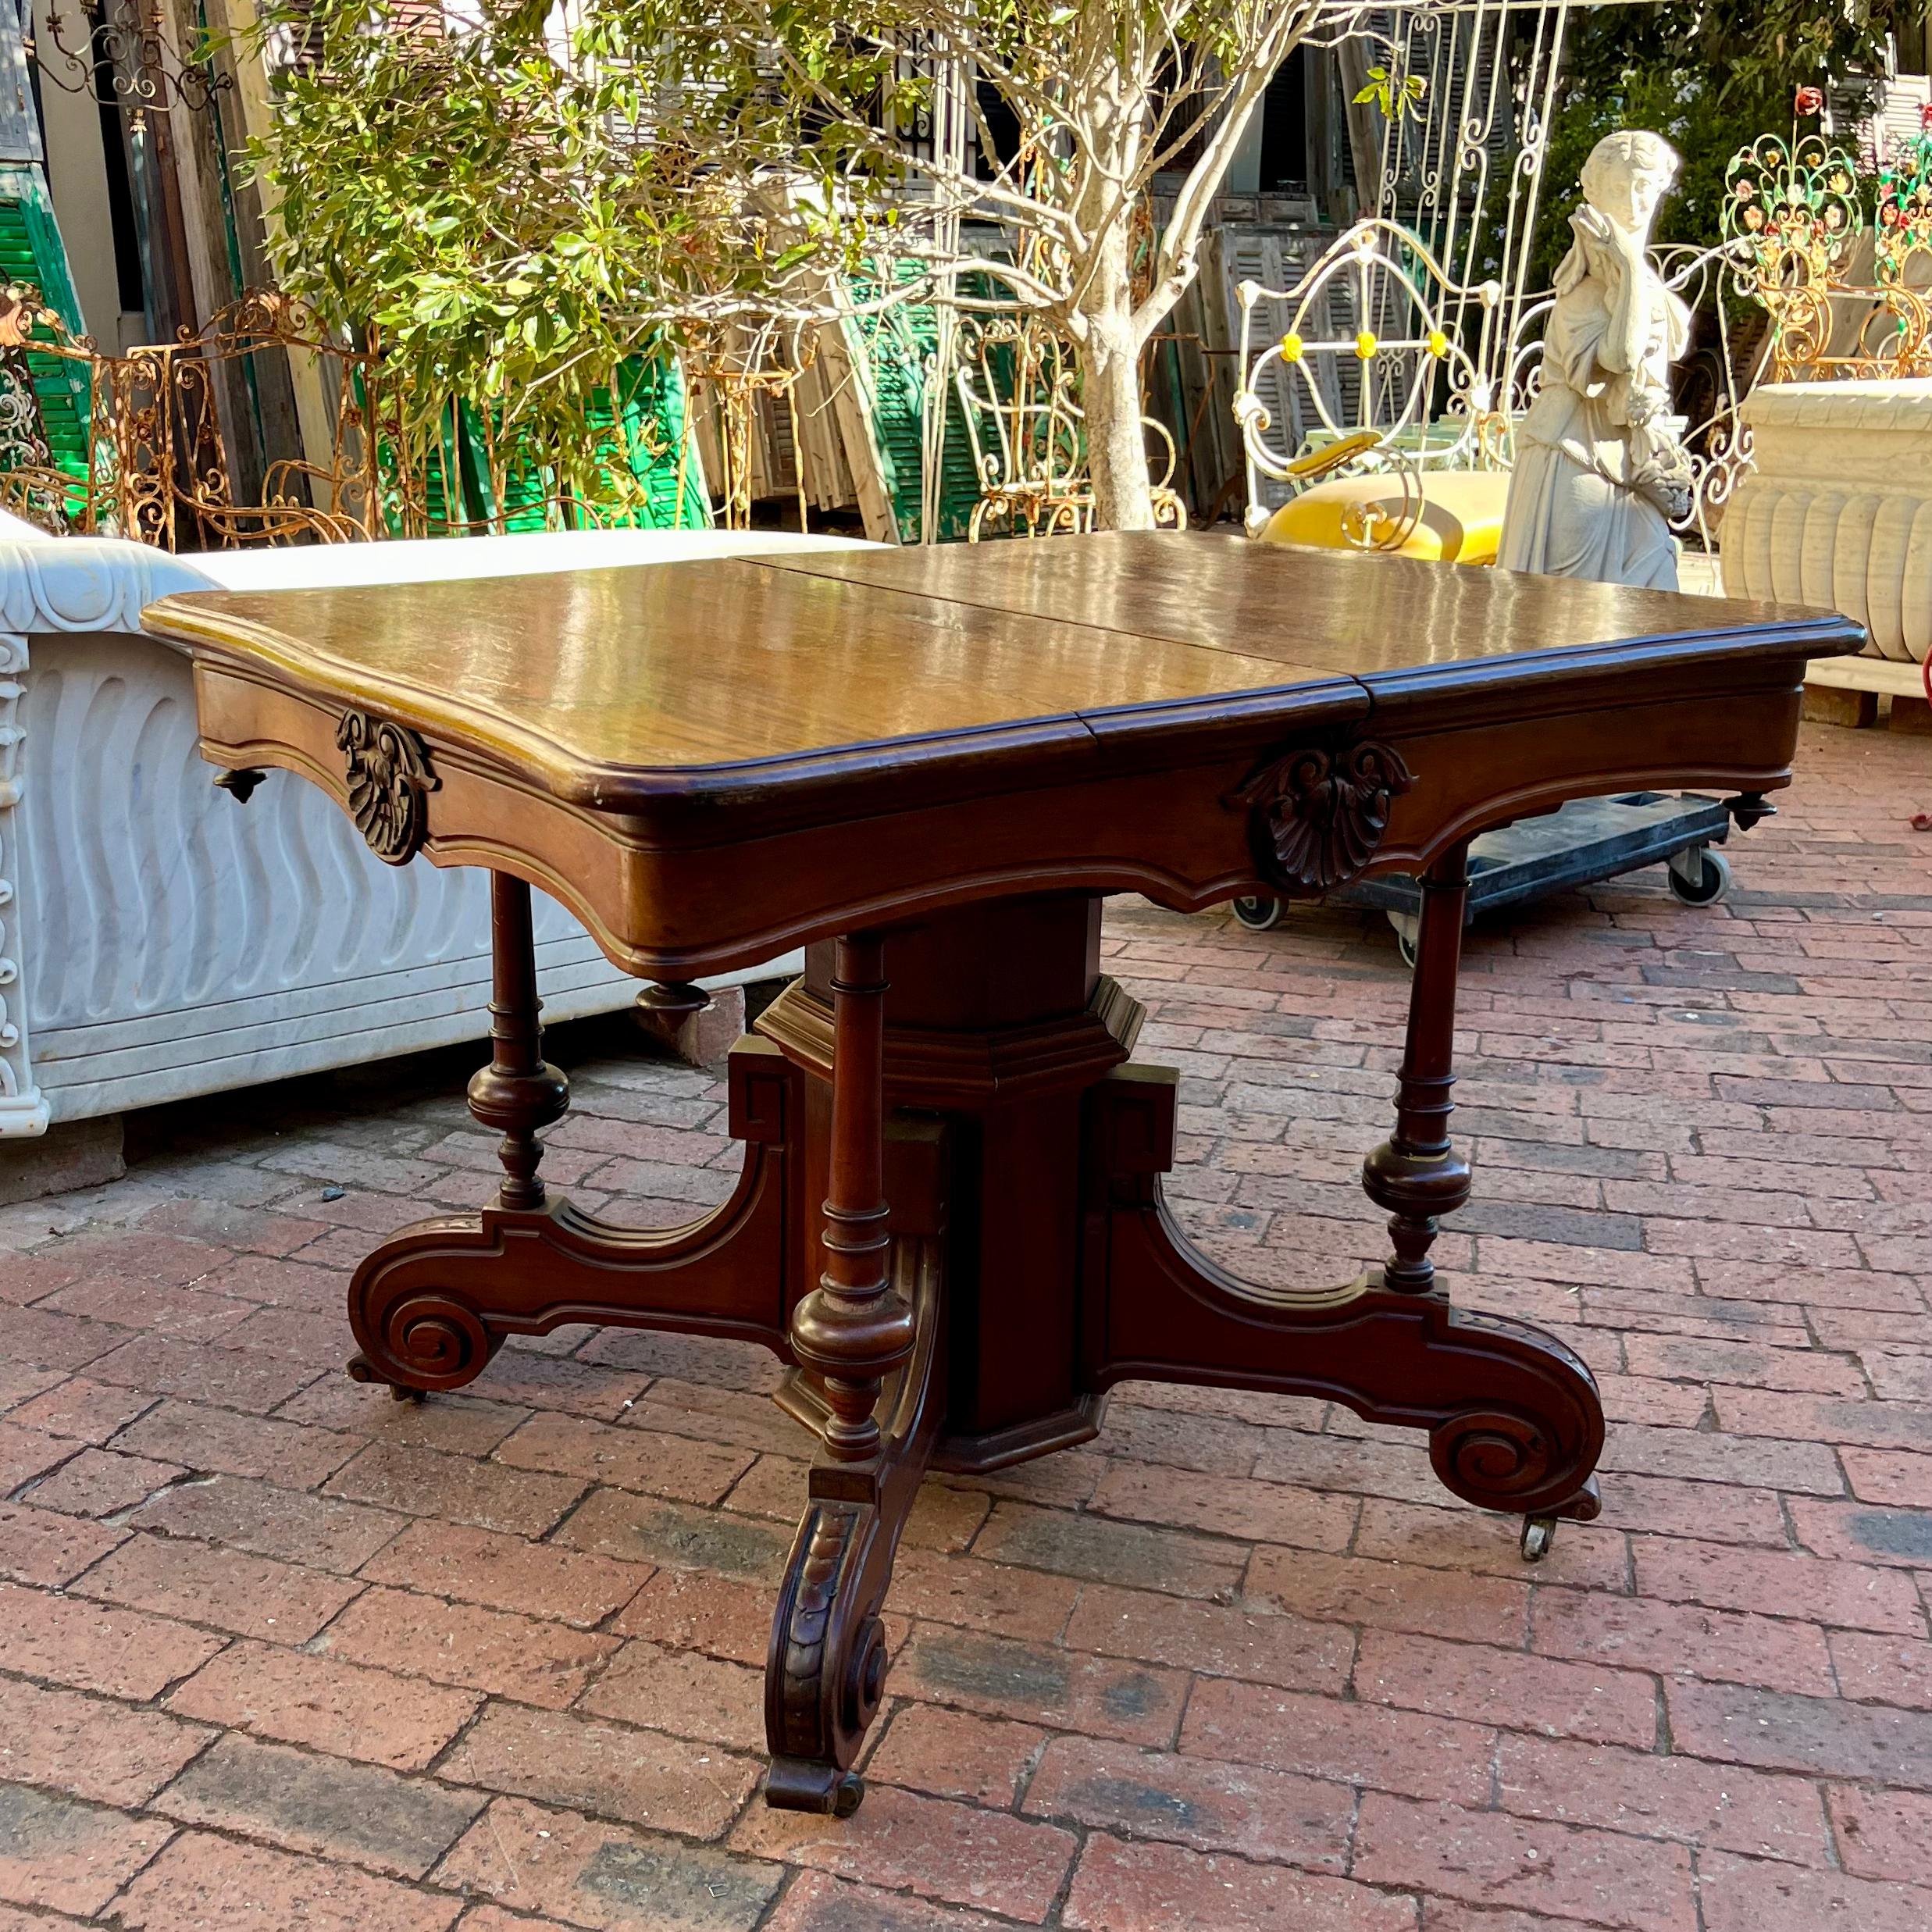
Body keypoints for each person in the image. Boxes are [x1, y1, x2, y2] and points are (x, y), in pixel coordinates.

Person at [1499, 130, 1694, 588]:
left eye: (1643, 187)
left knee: (1656, 593)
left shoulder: (1648, 288)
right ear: (1595, 195)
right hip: (1575, 456)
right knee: (1572, 611)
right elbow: (1621, 359)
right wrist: (1625, 267)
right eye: (1617, 189)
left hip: (1632, 467)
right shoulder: (1582, 296)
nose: (1632, 202)